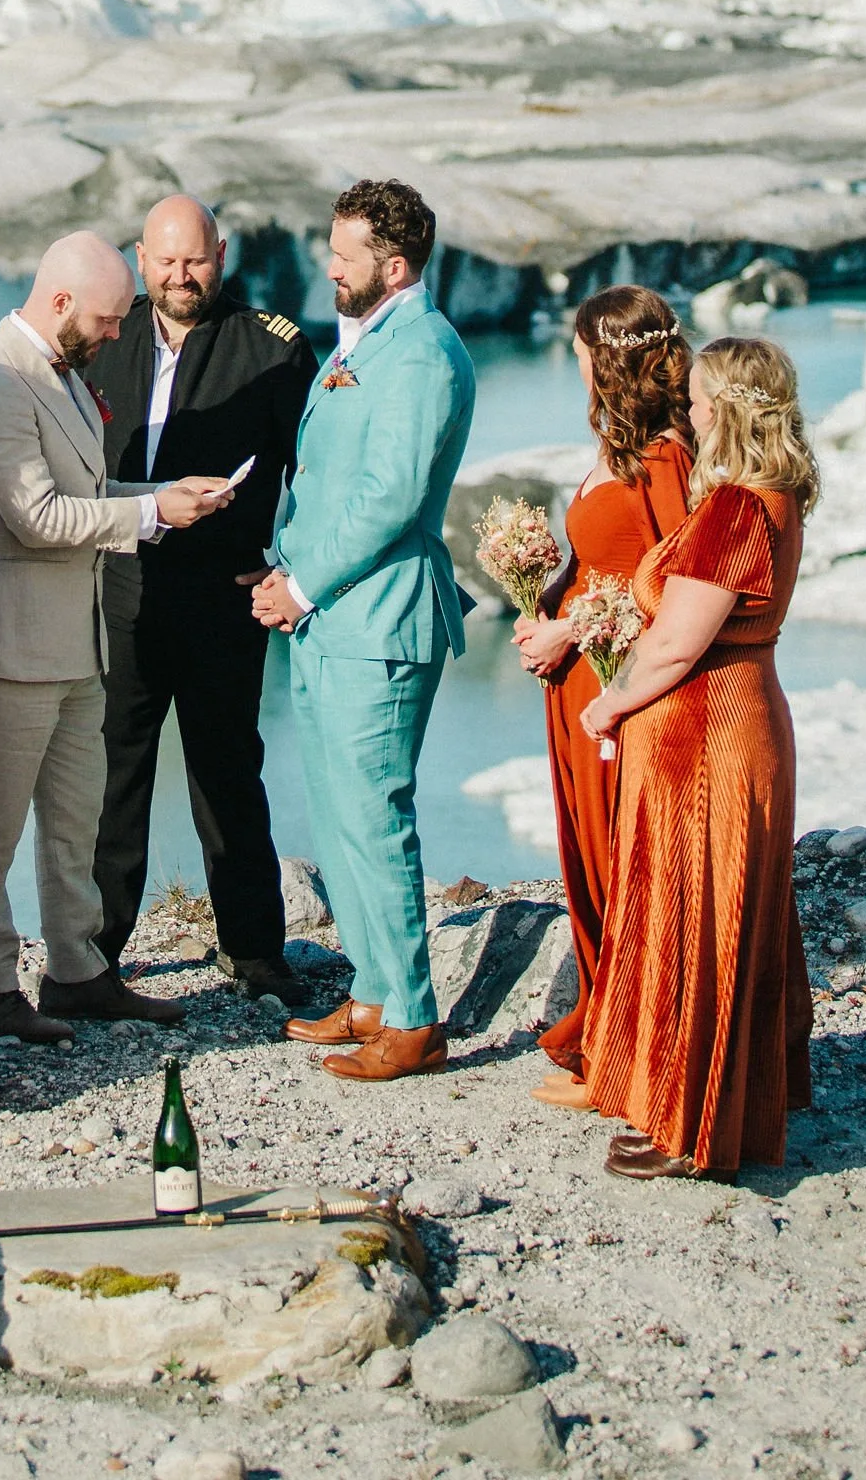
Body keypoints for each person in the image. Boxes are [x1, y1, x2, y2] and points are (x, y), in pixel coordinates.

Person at [0, 231, 238, 1045]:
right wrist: (149, 514)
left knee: (77, 820)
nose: (117, 334)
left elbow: (90, 488)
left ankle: (78, 971)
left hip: (74, 642)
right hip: (9, 645)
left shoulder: (63, 373)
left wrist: (165, 493)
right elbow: (36, 518)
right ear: (61, 301)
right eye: (107, 320)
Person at [251, 179, 477, 1083]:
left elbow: (391, 496)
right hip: (332, 620)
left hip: (378, 619)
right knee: (339, 813)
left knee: (377, 817)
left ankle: (414, 1019)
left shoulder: (422, 354)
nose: (330, 268)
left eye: (345, 256)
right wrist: (283, 568)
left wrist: (301, 586)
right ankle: (375, 990)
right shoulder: (370, 341)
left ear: (395, 265)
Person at [578, 334, 818, 1180]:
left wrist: (610, 701)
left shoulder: (735, 509)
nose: (692, 406)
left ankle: (693, 1124)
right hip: (736, 719)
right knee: (719, 913)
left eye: (703, 395)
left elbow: (678, 642)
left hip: (705, 739)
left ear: (729, 408)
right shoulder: (777, 497)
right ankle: (714, 1105)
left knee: (697, 917)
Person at [85, 195, 318, 1008]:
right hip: (121, 585)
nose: (181, 276)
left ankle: (254, 951)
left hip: (224, 593)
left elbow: (315, 470)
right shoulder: (105, 339)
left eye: (196, 260)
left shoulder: (272, 348)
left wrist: (289, 563)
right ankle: (93, 954)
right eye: (167, 261)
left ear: (222, 257)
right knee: (114, 774)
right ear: (140, 260)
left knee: (228, 774)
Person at [511, 286, 693, 1108]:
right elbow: (605, 563)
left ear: (607, 360)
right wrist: (544, 597)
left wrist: (568, 629)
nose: (574, 362)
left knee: (626, 863)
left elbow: (671, 589)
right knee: (592, 858)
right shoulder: (620, 447)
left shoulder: (666, 460)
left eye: (582, 351)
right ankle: (606, 1030)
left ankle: (630, 1055)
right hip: (583, 680)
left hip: (621, 688)